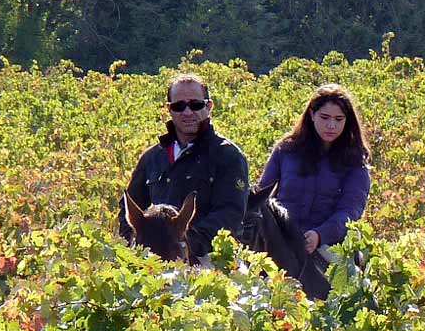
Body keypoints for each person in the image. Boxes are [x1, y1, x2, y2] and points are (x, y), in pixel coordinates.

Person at [117, 73, 250, 263]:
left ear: (209, 106)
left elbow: (230, 214)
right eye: (179, 107)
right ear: (169, 110)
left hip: (208, 257)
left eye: (195, 105)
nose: (187, 112)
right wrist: (139, 242)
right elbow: (127, 209)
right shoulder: (152, 158)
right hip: (151, 257)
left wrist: (186, 242)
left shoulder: (229, 156)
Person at [255, 84, 373, 262]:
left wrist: (320, 235)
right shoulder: (286, 150)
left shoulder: (355, 163)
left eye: (339, 119)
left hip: (329, 245)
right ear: (311, 114)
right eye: (324, 117)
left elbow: (350, 211)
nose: (331, 125)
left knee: (352, 285)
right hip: (278, 240)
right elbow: (261, 195)